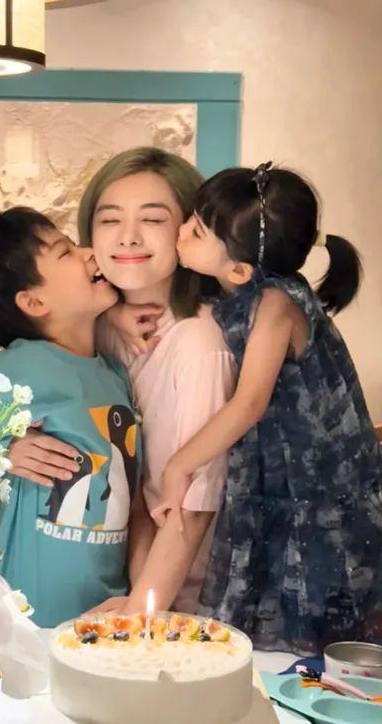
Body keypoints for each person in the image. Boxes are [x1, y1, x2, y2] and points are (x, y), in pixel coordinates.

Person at [153, 162, 382, 653]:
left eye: (196, 230)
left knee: (311, 591)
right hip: (280, 464)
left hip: (313, 477)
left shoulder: (276, 302)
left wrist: (179, 465)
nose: (180, 231)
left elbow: (250, 403)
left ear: (239, 269)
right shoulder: (245, 287)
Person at [11, 147, 238, 615]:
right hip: (102, 584)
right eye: (110, 219)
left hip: (176, 599)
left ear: (189, 230)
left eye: (152, 219)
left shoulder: (199, 343)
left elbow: (194, 507)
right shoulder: (92, 325)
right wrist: (9, 445)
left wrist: (142, 613)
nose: (128, 236)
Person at [0, 207, 144, 628]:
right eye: (66, 251)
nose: (90, 253)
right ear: (34, 302)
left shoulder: (113, 372)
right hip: (30, 617)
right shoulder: (24, 367)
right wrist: (2, 450)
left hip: (107, 607)